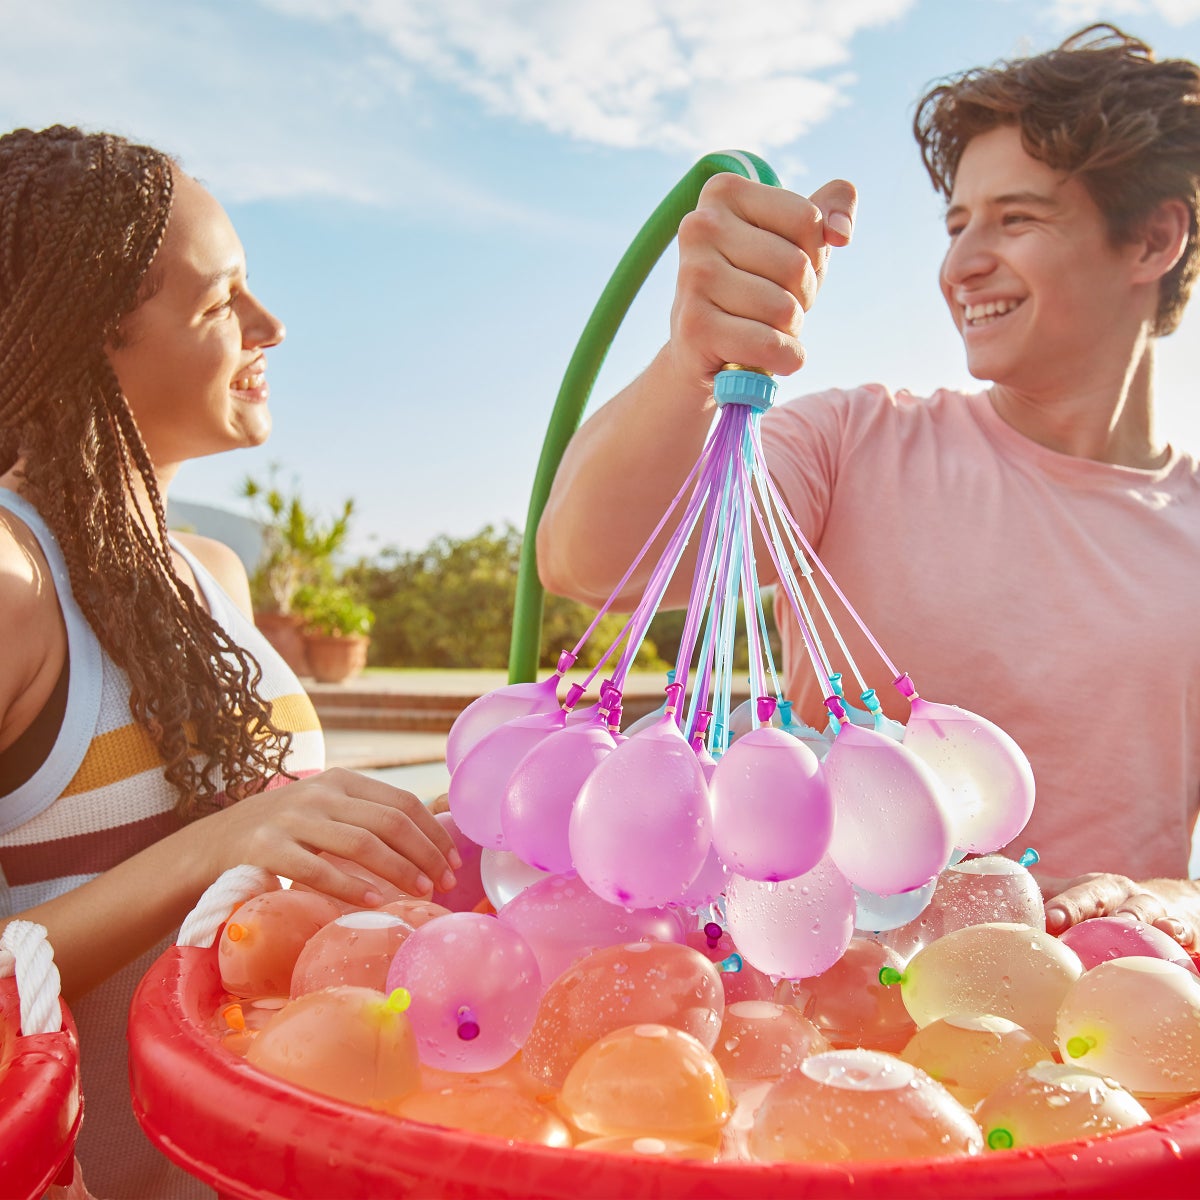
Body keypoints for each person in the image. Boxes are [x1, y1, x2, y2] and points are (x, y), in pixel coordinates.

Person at [537, 26, 1200, 948]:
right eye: (957, 225)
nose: (962, 264)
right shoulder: (852, 441)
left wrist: (1175, 902)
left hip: (1102, 1023)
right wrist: (689, 359)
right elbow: (586, 559)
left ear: (1154, 240)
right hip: (829, 1018)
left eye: (1016, 219)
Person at [0, 126, 460, 1198]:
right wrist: (222, 842)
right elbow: (232, 839)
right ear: (85, 336)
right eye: (222, 300)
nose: (271, 325)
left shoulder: (213, 575)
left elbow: (276, 857)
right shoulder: (15, 581)